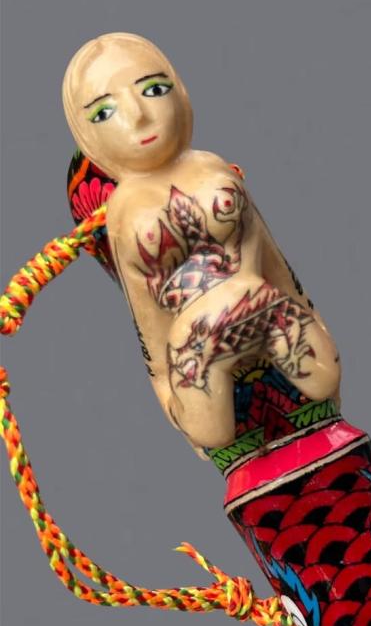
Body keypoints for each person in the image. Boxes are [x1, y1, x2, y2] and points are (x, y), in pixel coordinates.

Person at [62, 32, 341, 452]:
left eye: (154, 90)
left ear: (180, 91)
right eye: (105, 112)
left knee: (323, 384)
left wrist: (313, 317)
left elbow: (277, 267)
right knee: (214, 433)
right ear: (87, 136)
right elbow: (146, 318)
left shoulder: (212, 167)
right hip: (196, 350)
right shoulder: (121, 212)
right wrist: (164, 389)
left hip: (269, 313)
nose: (138, 116)